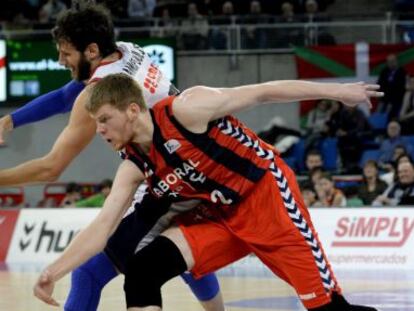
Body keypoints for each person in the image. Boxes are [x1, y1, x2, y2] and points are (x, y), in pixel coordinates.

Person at [33, 73, 382, 310]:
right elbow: (103, 226)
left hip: (267, 199)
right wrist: (53, 271)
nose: (98, 130)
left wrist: (338, 92)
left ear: (132, 110)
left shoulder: (187, 108)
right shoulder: (133, 164)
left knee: (328, 309)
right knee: (142, 270)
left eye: (104, 119)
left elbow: (263, 92)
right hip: (220, 218)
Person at [0, 5, 223, 311]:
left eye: (65, 53)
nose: (60, 60)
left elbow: (51, 168)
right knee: (178, 250)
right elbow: (67, 95)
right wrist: (11, 120)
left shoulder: (99, 91)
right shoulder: (128, 51)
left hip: (166, 180)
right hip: (197, 169)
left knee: (88, 273)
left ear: (91, 51)